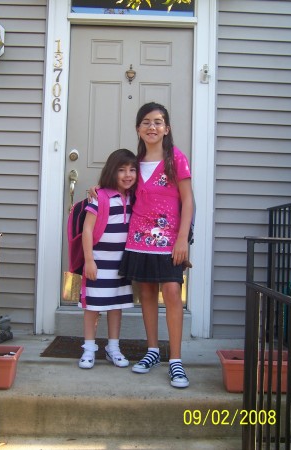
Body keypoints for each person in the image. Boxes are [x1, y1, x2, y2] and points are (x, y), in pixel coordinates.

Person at [89, 103, 194, 388]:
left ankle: (175, 360)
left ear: (167, 129)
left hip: (170, 240)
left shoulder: (176, 160)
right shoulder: (134, 162)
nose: (152, 127)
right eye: (146, 122)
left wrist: (183, 238)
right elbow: (117, 185)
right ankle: (151, 351)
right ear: (138, 128)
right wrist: (97, 191)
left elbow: (188, 201)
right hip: (138, 239)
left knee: (172, 292)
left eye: (158, 122)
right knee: (146, 292)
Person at [78, 148, 138, 370]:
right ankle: (89, 348)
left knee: (116, 305)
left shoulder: (136, 198)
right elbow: (87, 230)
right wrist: (89, 260)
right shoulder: (99, 197)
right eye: (121, 170)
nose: (127, 175)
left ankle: (113, 347)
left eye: (132, 170)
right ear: (111, 171)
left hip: (121, 264)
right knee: (92, 306)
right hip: (98, 261)